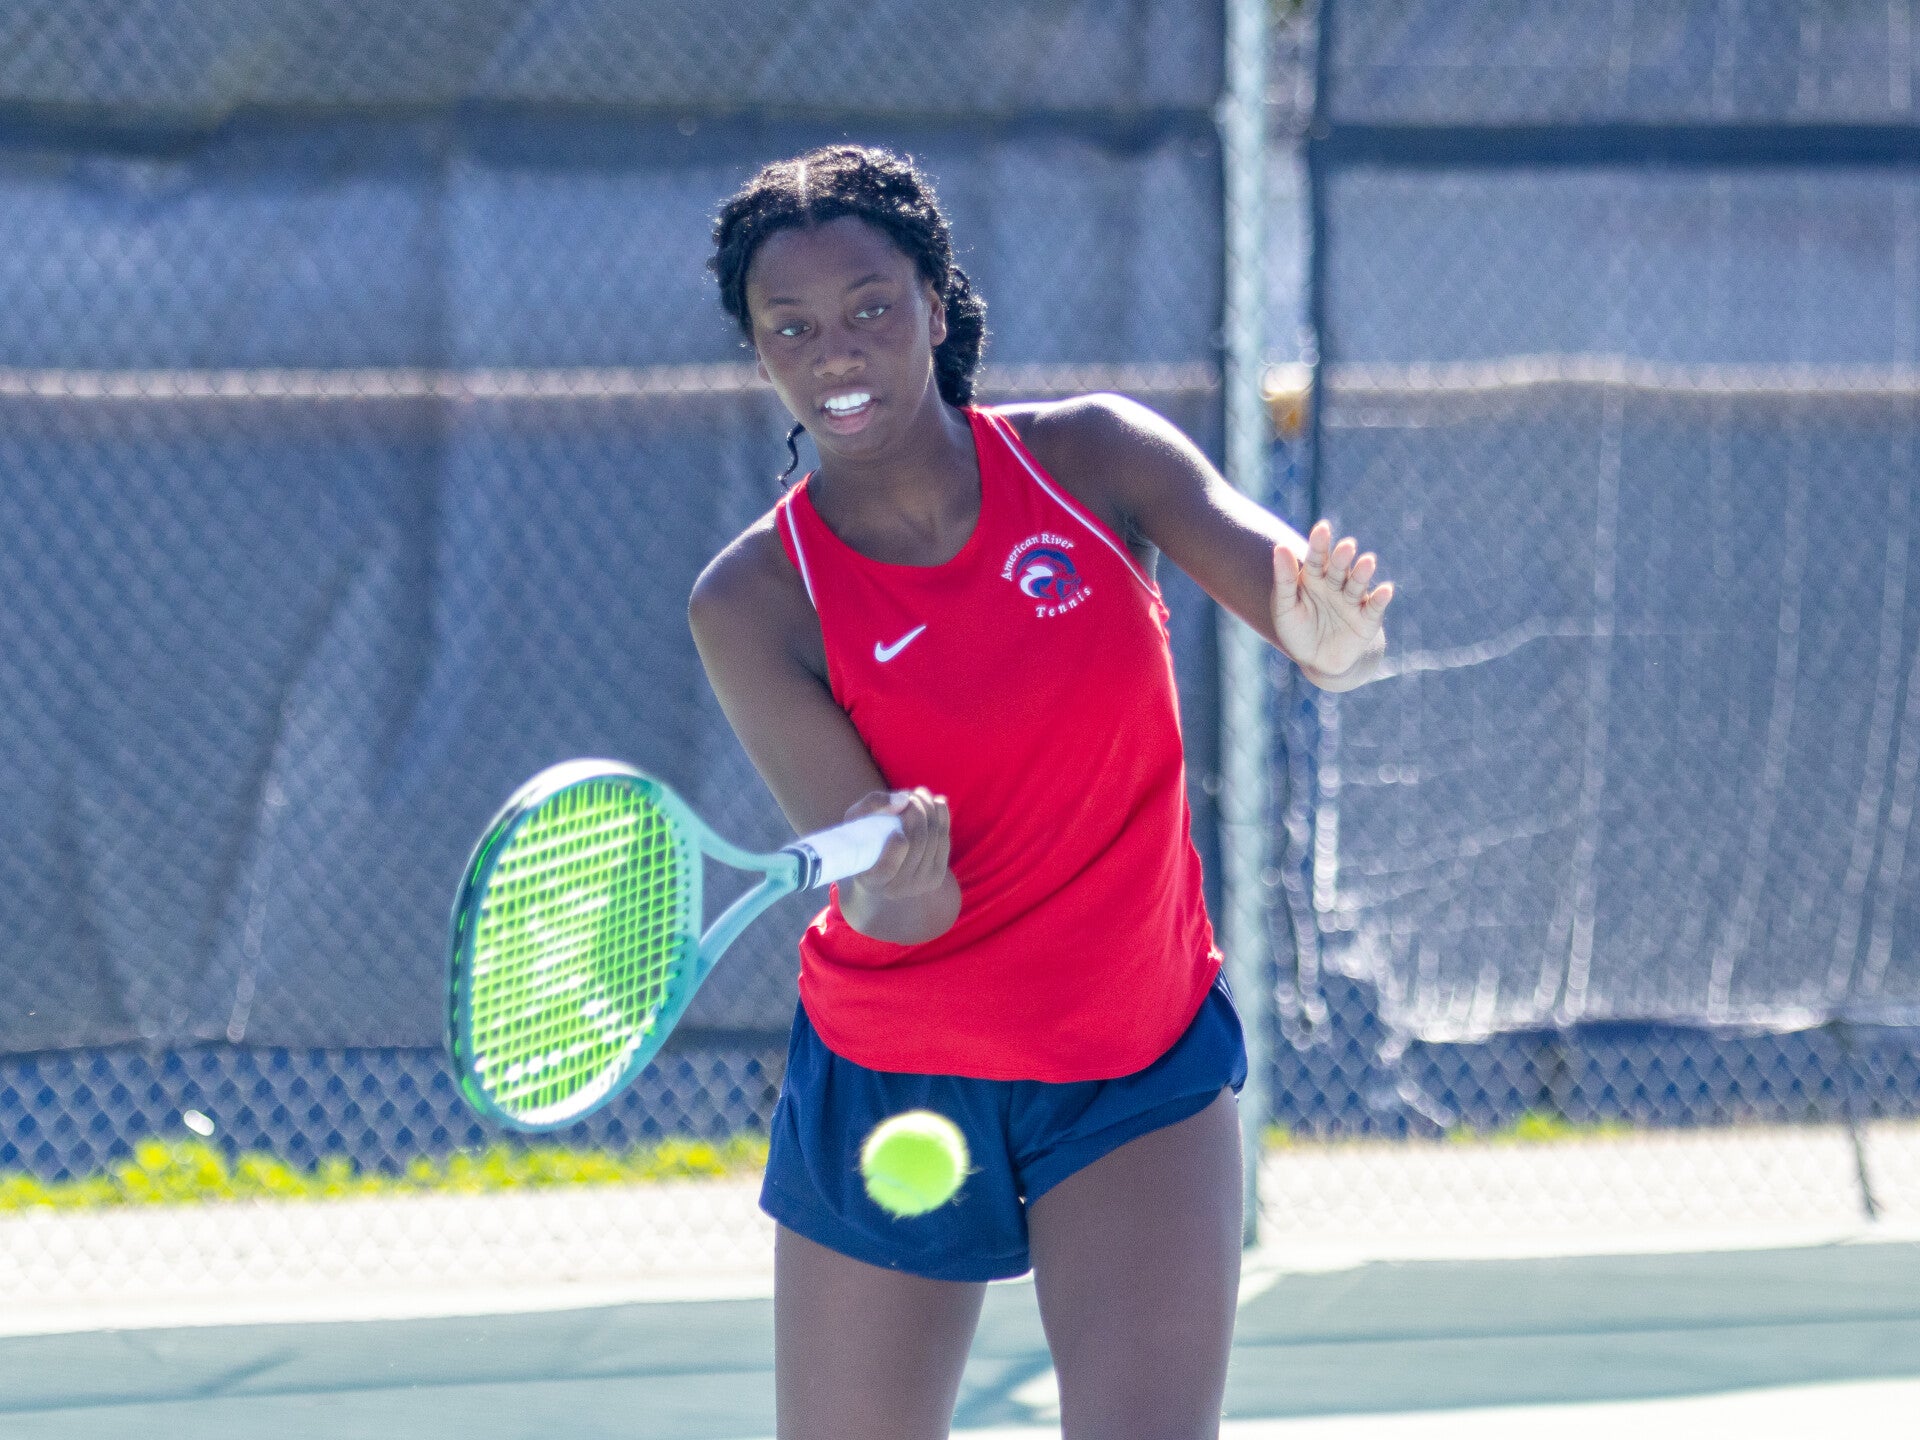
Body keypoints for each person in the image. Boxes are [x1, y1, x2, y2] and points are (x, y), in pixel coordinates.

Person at [689, 145, 1392, 1440]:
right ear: (759, 351)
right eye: (792, 327)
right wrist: (896, 877)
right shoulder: (751, 600)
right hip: (896, 1072)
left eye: (869, 307)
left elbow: (1289, 593)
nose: (836, 351)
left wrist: (1330, 636)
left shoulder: (1096, 457)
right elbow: (903, 911)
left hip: (1131, 1059)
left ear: (935, 303)